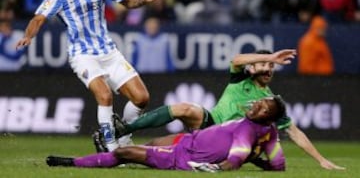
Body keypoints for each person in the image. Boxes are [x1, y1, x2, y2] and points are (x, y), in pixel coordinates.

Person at [15, 0, 160, 152]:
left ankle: (124, 137)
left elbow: (126, 1)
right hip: (83, 56)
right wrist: (28, 37)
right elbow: (38, 19)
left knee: (141, 98)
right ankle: (111, 149)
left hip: (109, 52)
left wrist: (143, 0)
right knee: (105, 96)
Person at [103, 49, 344, 170]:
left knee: (158, 145)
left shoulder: (270, 102)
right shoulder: (241, 80)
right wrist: (270, 55)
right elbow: (237, 59)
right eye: (263, 64)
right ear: (253, 68)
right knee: (187, 108)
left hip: (223, 141)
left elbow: (294, 132)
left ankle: (119, 153)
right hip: (210, 123)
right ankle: (123, 131)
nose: (268, 68)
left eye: (271, 66)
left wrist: (321, 160)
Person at [46, 96, 286, 172]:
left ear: (269, 117)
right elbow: (278, 165)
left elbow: (234, 159)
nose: (257, 106)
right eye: (260, 102)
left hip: (183, 156)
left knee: (125, 152)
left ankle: (70, 162)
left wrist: (217, 168)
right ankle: (132, 149)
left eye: (263, 108)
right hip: (188, 142)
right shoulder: (268, 132)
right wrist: (258, 159)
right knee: (149, 146)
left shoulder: (247, 130)